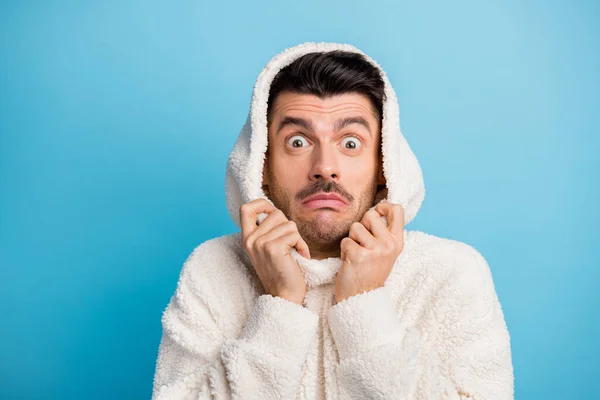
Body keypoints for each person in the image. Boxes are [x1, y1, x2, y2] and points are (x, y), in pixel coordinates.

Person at [151, 41, 514, 400]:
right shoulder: (213, 269)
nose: (325, 167)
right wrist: (281, 305)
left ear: (384, 167)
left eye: (351, 143)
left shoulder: (450, 274)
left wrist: (365, 305)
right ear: (260, 165)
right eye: (297, 142)